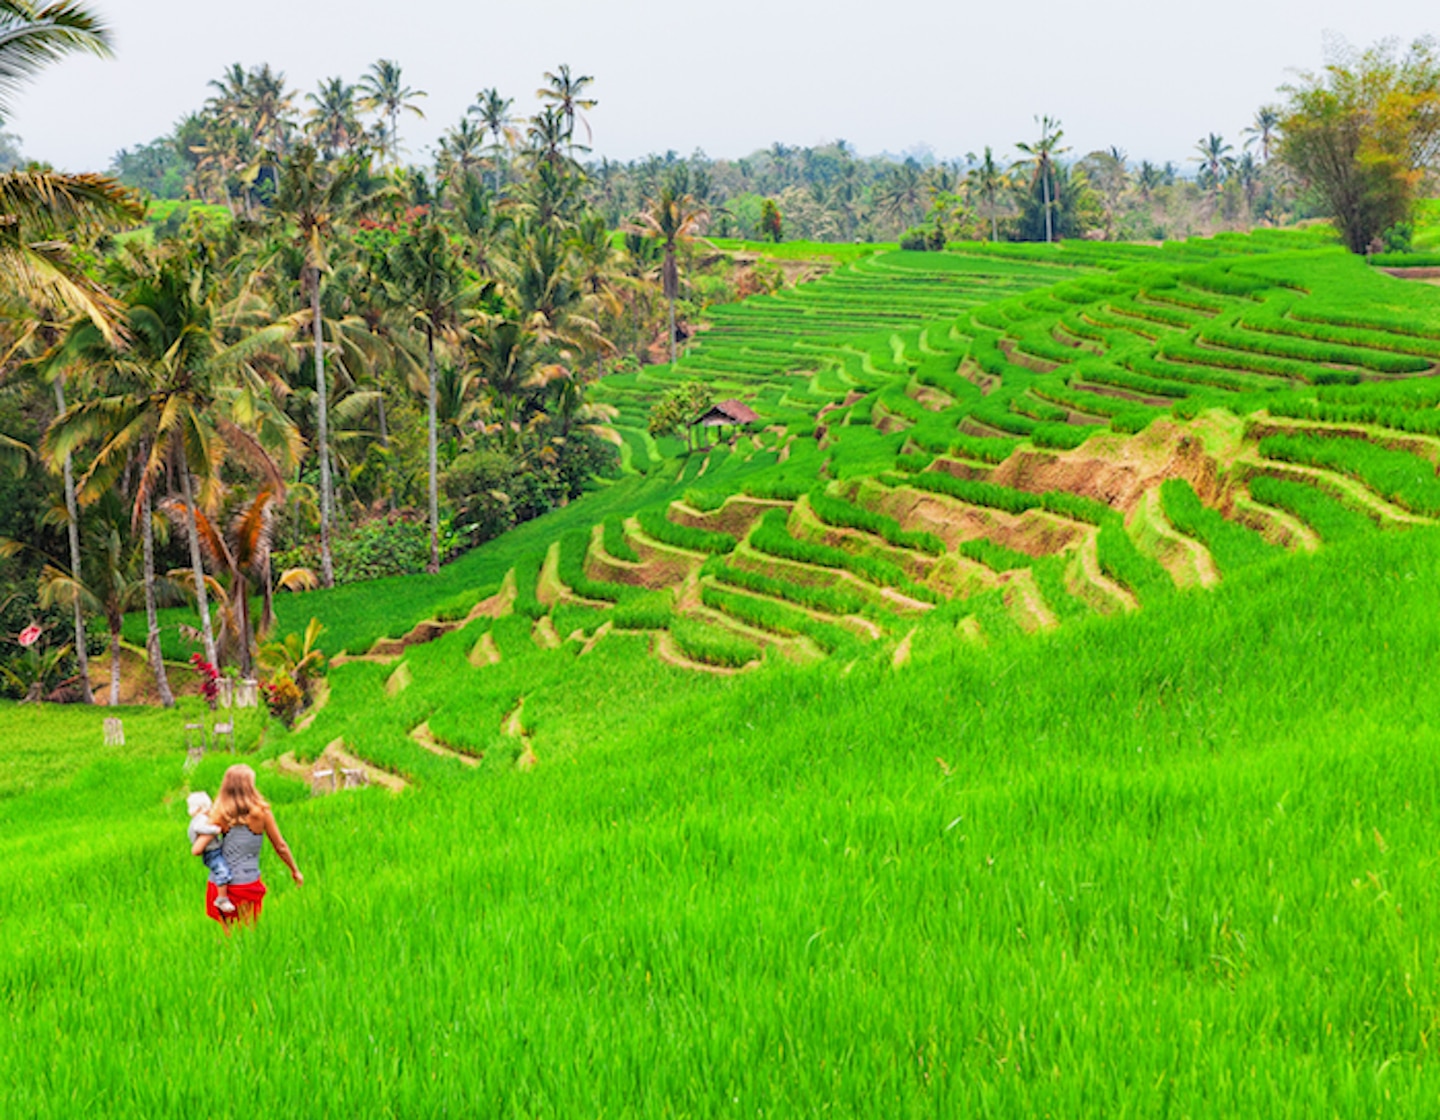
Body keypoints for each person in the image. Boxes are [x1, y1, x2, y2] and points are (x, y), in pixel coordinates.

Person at [199, 764, 303, 927]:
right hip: (246, 883)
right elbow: (280, 846)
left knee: (228, 935)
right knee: (248, 934)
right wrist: (294, 870)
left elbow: (200, 844)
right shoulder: (262, 813)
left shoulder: (219, 813)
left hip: (220, 886)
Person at [186, 791, 236, 915]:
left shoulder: (201, 819)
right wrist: (214, 830)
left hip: (213, 851)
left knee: (222, 870)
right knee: (222, 871)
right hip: (211, 852)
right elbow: (199, 830)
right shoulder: (200, 820)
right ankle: (222, 899)